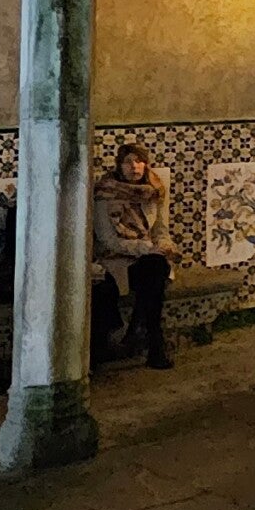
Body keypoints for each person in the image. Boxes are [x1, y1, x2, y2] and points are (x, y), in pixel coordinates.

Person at [92, 140, 175, 369]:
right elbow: (107, 239)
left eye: (139, 162)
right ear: (119, 166)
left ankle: (148, 338)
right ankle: (150, 339)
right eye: (128, 162)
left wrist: (164, 246)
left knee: (157, 267)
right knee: (153, 275)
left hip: (146, 257)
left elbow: (160, 229)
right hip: (114, 259)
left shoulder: (153, 191)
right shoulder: (106, 192)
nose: (134, 167)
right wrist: (145, 248)